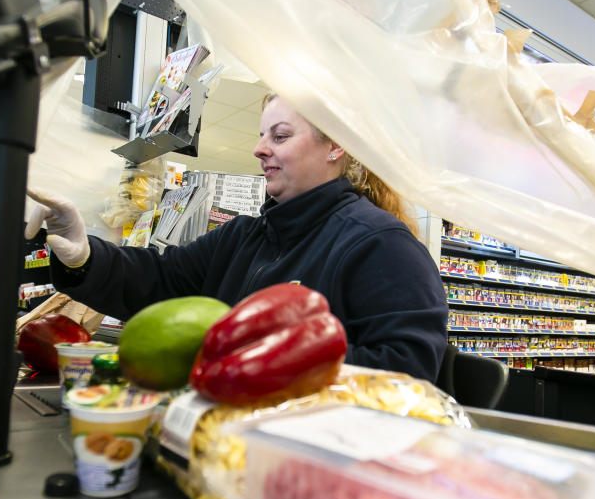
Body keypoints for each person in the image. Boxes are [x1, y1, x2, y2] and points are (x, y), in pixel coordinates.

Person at [25, 94, 448, 381]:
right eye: (262, 135)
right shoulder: (245, 237)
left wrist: (272, 356)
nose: (260, 148)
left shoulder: (379, 244)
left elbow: (408, 368)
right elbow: (161, 279)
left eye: (279, 136)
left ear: (335, 146)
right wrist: (83, 257)